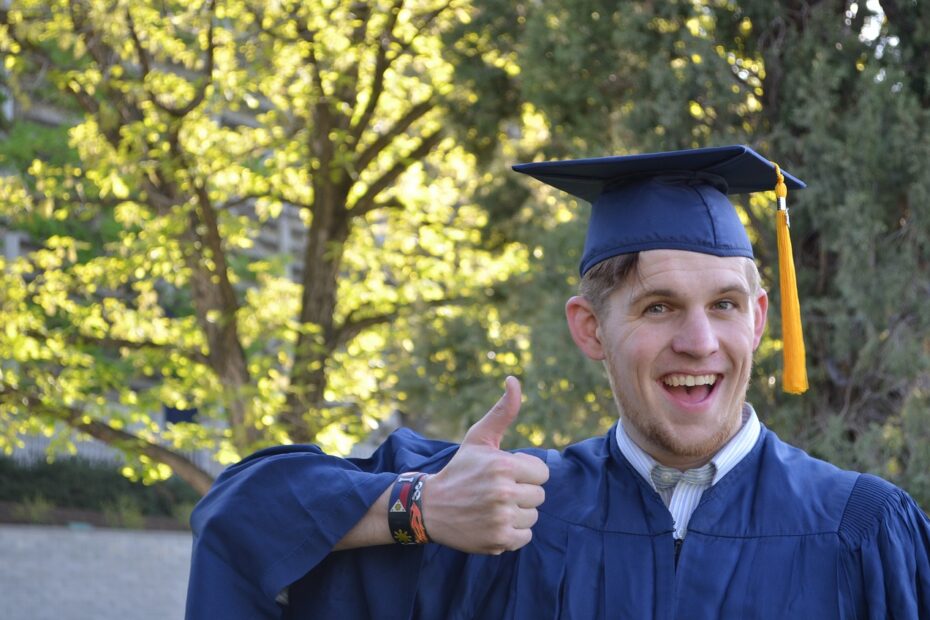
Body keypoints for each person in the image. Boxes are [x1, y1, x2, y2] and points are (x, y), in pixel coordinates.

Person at [185, 145, 930, 619]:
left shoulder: (862, 531)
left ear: (761, 317)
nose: (699, 342)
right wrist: (418, 507)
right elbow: (238, 517)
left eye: (725, 305)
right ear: (588, 328)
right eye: (659, 306)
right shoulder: (508, 512)